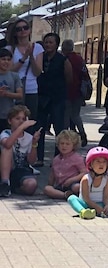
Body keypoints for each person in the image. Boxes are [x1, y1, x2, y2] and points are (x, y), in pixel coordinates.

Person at [35, 32, 72, 165]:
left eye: (51, 42)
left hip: (57, 97)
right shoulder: (40, 57)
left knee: (59, 128)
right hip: (42, 96)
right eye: (46, 42)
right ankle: (38, 157)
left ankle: (58, 158)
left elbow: (69, 78)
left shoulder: (63, 60)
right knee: (39, 128)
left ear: (56, 44)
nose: (48, 44)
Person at [68, 146, 108, 219]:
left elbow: (106, 196)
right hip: (87, 204)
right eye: (98, 161)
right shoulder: (86, 179)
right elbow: (86, 198)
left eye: (104, 162)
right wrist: (96, 208)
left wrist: (106, 205)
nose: (101, 164)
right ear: (90, 165)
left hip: (101, 204)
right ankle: (83, 212)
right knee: (71, 198)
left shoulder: (106, 180)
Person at [6, 18, 43, 123]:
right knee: (14, 120)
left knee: (30, 120)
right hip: (15, 89)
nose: (23, 30)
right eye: (19, 29)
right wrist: (23, 58)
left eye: (25, 28)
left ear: (29, 30)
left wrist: (31, 57)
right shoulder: (10, 49)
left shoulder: (38, 47)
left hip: (31, 89)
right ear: (15, 33)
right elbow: (9, 71)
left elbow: (37, 72)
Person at [0, 105, 41, 196]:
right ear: (10, 121)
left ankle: (14, 188)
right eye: (17, 118)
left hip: (20, 170)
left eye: (23, 119)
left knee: (31, 185)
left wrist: (34, 143)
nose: (21, 121)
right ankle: (5, 183)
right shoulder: (5, 133)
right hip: (5, 169)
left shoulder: (29, 137)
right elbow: (8, 144)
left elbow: (32, 161)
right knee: (8, 148)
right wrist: (21, 128)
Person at [43, 129, 87, 199]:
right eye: (62, 143)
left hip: (73, 183)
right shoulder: (56, 159)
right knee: (47, 189)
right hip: (60, 185)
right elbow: (52, 175)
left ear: (74, 145)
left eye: (67, 144)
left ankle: (74, 195)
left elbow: (84, 172)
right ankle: (65, 195)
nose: (64, 146)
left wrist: (72, 180)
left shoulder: (77, 158)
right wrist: (50, 185)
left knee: (77, 187)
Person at [61, 39, 88, 145]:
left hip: (68, 90)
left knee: (66, 115)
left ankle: (66, 137)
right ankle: (82, 133)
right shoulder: (79, 59)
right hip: (79, 90)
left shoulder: (65, 59)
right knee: (76, 114)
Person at [0, 48, 24, 132]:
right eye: (3, 59)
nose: (6, 62)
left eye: (8, 59)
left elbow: (20, 95)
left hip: (9, 115)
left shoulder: (15, 76)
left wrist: (6, 94)